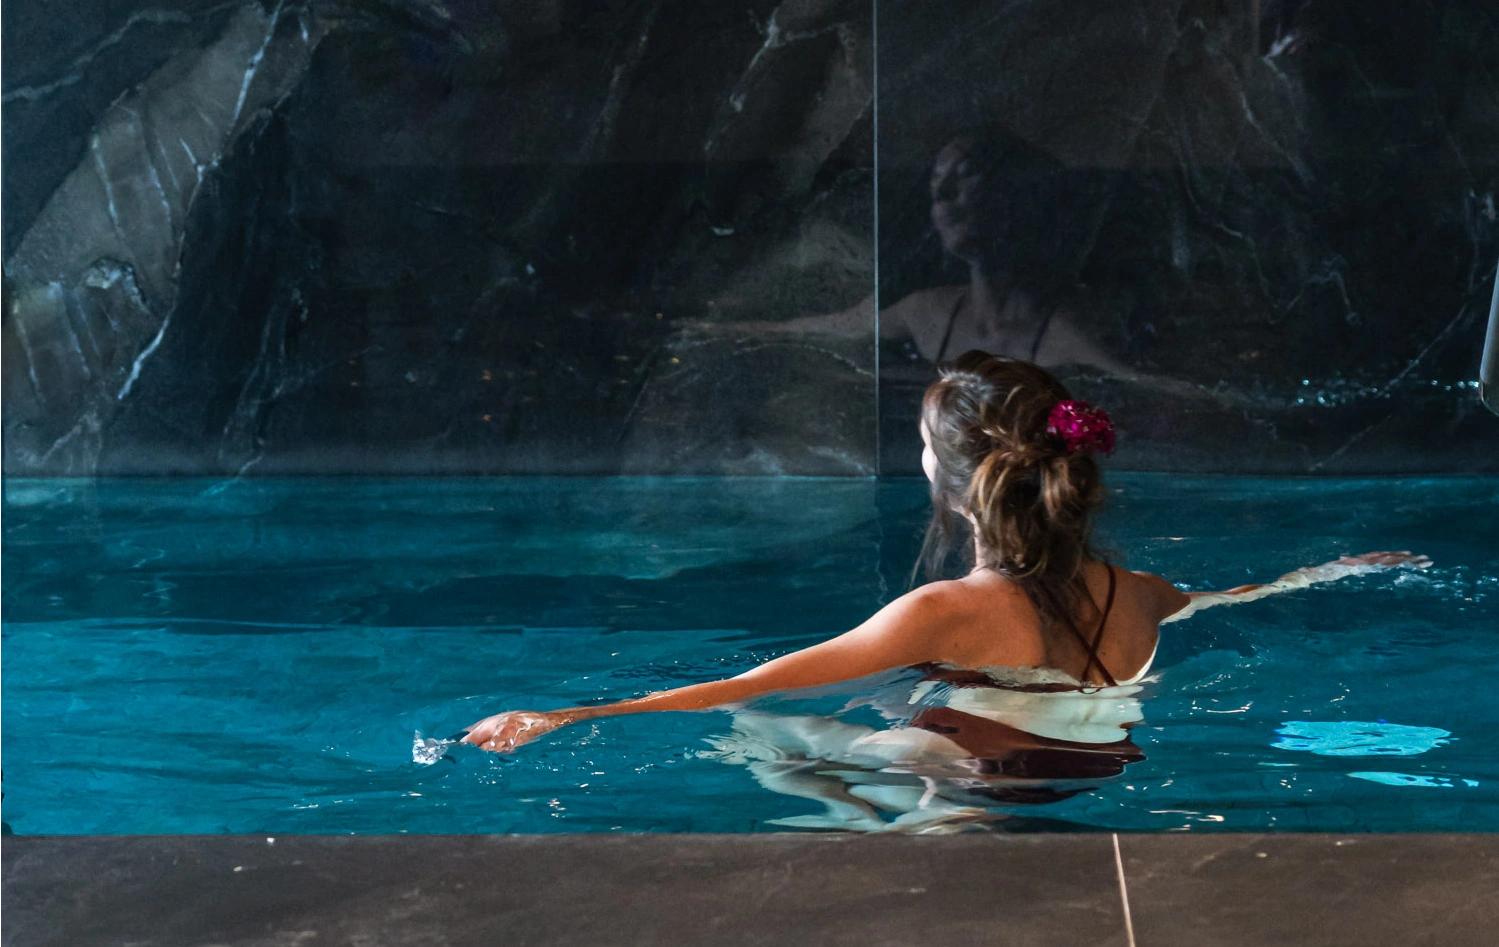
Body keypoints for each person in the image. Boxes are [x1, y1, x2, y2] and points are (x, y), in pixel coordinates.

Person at [462, 351, 1427, 753]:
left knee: (757, 739)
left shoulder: (940, 613)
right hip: (1105, 760)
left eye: (925, 442)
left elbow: (763, 676)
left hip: (987, 767)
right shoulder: (1136, 589)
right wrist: (1331, 572)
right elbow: (1225, 597)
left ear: (955, 479)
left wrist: (576, 710)